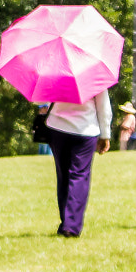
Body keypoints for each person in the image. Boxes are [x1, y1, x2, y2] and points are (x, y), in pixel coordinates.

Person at [42, 81, 113, 237]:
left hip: (58, 127)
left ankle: (65, 221)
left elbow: (43, 97)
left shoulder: (56, 70)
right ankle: (71, 225)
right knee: (79, 176)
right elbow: (103, 106)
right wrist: (105, 134)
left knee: (63, 176)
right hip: (85, 129)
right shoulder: (95, 72)